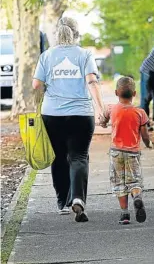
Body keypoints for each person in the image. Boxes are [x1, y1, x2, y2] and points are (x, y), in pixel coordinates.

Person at [32, 17, 107, 222]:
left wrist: (38, 103)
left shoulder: (47, 56)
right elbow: (92, 81)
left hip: (52, 115)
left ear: (57, 33)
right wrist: (101, 108)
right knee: (79, 156)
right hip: (81, 115)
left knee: (58, 156)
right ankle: (77, 198)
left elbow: (37, 85)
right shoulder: (84, 55)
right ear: (75, 33)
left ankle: (62, 203)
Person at [100, 77, 152, 225]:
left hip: (116, 152)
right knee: (134, 180)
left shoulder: (111, 108)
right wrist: (148, 144)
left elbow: (102, 119)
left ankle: (124, 214)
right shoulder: (140, 112)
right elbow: (145, 135)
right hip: (133, 153)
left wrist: (103, 123)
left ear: (116, 92)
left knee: (119, 183)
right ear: (134, 94)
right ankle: (136, 196)